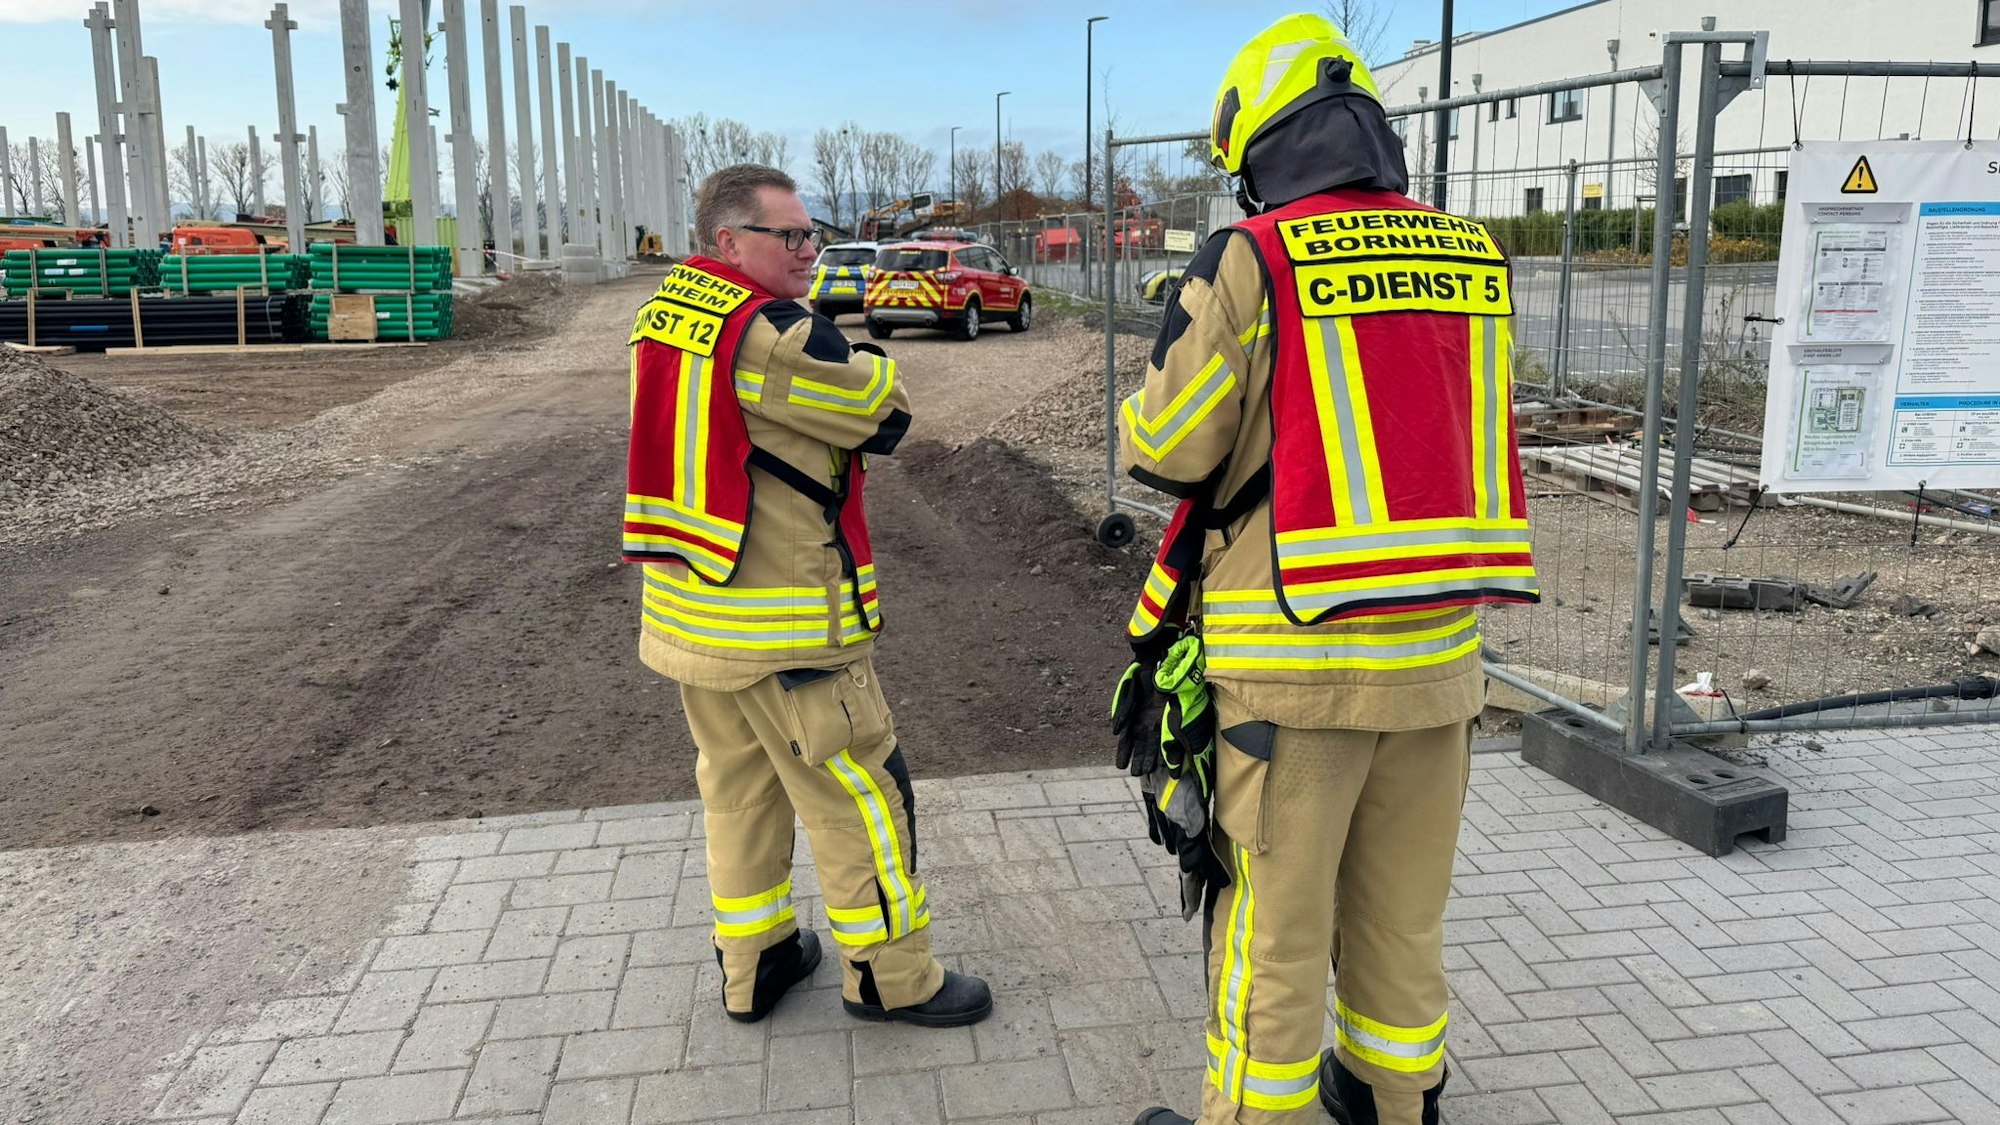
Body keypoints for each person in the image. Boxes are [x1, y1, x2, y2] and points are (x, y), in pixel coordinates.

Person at [1111, 15, 1540, 1125]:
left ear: (1261, 146)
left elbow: (1167, 448)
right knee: (1401, 917)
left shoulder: (1254, 257)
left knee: (1274, 928)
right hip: (1440, 660)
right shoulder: (1469, 252)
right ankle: (1395, 1100)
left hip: (1292, 672)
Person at [622, 163, 990, 1028]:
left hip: (694, 622)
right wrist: (861, 353)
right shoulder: (769, 333)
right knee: (862, 796)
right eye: (786, 236)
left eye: (809, 232)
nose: (807, 249)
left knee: (739, 794)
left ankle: (755, 964)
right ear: (728, 241)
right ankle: (894, 979)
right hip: (784, 630)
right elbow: (884, 410)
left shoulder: (663, 311)